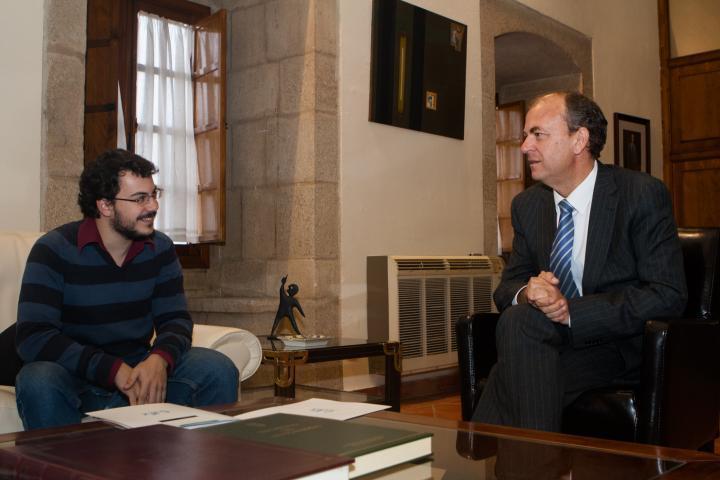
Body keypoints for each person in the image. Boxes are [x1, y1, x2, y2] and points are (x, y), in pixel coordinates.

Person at [472, 92, 687, 431]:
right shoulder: (528, 206)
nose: (525, 146)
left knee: (516, 374)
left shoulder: (640, 194)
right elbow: (507, 288)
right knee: (516, 320)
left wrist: (572, 312)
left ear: (579, 139)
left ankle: (481, 460)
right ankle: (535, 466)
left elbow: (667, 293)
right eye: (525, 136)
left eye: (537, 134)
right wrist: (529, 292)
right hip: (547, 337)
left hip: (616, 343)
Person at [14, 149, 239, 430]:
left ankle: (207, 468)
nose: (153, 206)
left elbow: (176, 320)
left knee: (216, 368)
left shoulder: (160, 249)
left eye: (154, 194)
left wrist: (160, 359)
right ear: (105, 206)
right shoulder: (53, 250)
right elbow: (33, 336)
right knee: (37, 379)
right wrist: (112, 370)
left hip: (138, 367)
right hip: (75, 376)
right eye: (139, 199)